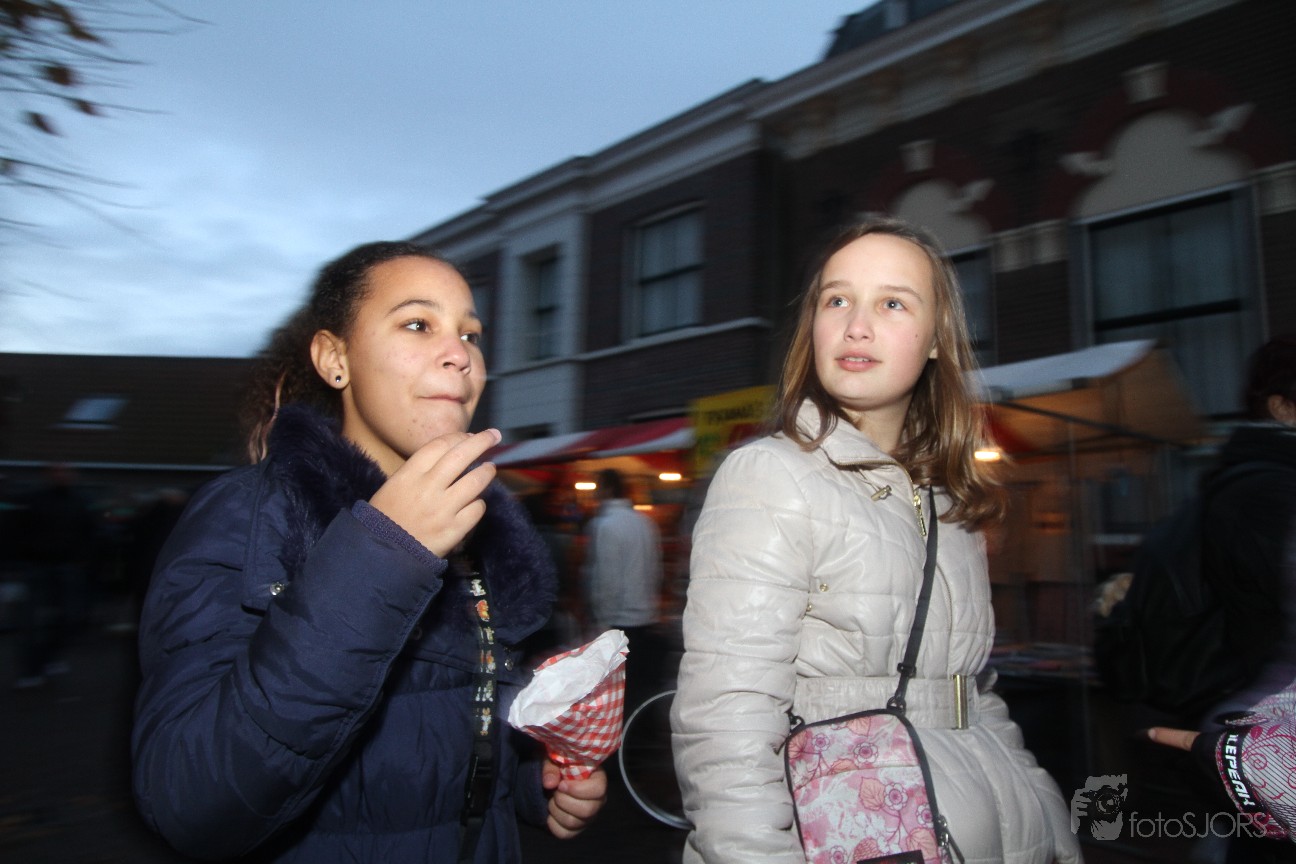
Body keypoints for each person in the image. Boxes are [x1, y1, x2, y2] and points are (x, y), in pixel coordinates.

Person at [131, 242, 606, 863]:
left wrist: (528, 785)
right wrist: (384, 555)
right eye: (418, 324)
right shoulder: (249, 515)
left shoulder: (481, 533)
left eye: (470, 333)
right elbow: (190, 800)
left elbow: (455, 730)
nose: (460, 354)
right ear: (335, 360)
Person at [670, 217, 1079, 863]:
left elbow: (972, 694)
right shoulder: (771, 474)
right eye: (837, 300)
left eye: (892, 303)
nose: (856, 325)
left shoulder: (949, 502)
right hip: (854, 831)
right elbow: (727, 723)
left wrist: (1047, 822)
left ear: (937, 338)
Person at [582, 467, 664, 709]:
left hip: (619, 623)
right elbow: (656, 570)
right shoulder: (646, 523)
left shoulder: (605, 525)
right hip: (646, 620)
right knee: (641, 695)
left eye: (597, 488)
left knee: (617, 699)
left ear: (606, 489)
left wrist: (601, 623)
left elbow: (608, 580)